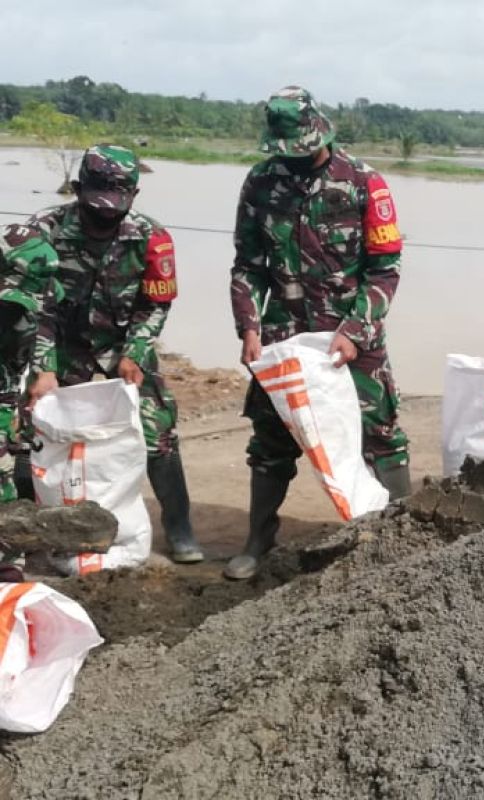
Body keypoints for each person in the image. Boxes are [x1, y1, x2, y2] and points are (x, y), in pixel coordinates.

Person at [226, 86, 409, 580]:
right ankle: (258, 539)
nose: (297, 158)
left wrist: (355, 330)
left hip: (352, 334)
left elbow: (385, 269)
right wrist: (249, 326)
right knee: (270, 440)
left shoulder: (363, 184)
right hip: (284, 336)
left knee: (381, 433)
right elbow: (247, 266)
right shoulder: (261, 183)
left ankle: (407, 538)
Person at [23, 145, 203, 565]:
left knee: (158, 431)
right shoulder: (44, 232)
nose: (106, 216)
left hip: (123, 342)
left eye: (116, 208)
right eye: (97, 206)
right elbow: (36, 307)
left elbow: (155, 304)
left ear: (134, 197)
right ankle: (33, 531)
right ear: (78, 188)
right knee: (36, 430)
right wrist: (44, 367)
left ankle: (180, 531)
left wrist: (137, 352)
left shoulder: (152, 238)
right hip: (63, 344)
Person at [0, 224, 59, 582]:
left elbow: (44, 321)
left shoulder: (34, 294)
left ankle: (8, 567)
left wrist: (44, 367)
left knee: (7, 477)